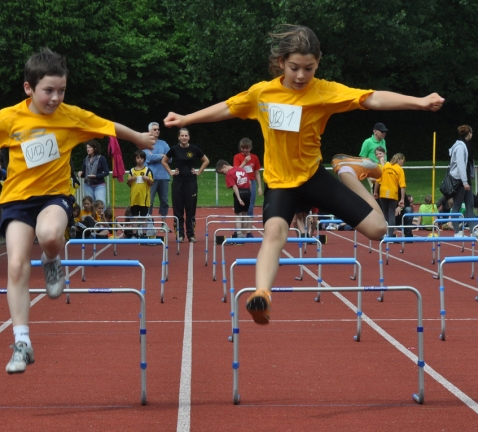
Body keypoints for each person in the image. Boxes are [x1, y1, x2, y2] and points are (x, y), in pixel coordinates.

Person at [163, 24, 444, 324]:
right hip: (281, 184)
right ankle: (262, 295)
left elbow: (371, 98)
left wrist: (419, 102)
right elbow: (228, 108)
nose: (300, 76)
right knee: (274, 233)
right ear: (281, 62)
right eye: (295, 67)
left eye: (308, 69)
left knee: (378, 230)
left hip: (314, 177)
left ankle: (348, 171)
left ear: (318, 64)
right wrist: (186, 118)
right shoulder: (263, 93)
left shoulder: (323, 91)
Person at [0, 48, 155, 374]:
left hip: (55, 196)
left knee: (50, 235)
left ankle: (53, 261)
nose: (55, 98)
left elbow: (109, 126)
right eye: (48, 91)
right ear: (29, 88)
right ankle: (22, 342)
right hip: (17, 200)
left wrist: (139, 138)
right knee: (16, 264)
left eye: (61, 91)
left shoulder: (71, 116)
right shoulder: (10, 118)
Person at [161, 128, 209, 242]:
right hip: (178, 182)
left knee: (190, 209)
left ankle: (191, 234)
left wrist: (198, 172)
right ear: (178, 137)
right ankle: (180, 234)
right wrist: (171, 172)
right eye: (182, 136)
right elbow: (164, 161)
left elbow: (206, 160)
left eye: (186, 135)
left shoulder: (194, 149)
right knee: (178, 210)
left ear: (189, 137)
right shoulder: (174, 149)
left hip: (191, 183)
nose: (184, 138)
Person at [448, 125, 478, 238]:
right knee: (457, 205)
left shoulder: (466, 145)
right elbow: (460, 165)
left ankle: (473, 231)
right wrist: (464, 182)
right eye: (472, 132)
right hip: (459, 181)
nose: (472, 135)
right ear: (469, 133)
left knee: (470, 204)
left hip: (466, 179)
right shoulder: (460, 146)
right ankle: (457, 232)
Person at [217, 159, 251, 238]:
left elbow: (234, 186)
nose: (224, 174)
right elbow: (249, 183)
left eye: (222, 172)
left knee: (238, 215)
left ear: (224, 166)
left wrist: (239, 199)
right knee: (245, 214)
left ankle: (239, 235)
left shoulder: (229, 173)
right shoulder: (241, 169)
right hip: (247, 192)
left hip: (239, 192)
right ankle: (243, 234)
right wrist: (250, 194)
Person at [374, 153, 406, 237]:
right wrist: (402, 199)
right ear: (401, 160)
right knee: (391, 213)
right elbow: (402, 185)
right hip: (393, 193)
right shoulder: (399, 169)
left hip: (383, 193)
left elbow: (378, 180)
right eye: (403, 161)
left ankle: (384, 234)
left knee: (385, 213)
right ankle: (390, 234)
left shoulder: (385, 166)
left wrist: (375, 192)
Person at [145, 122, 171, 219]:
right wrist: (161, 156)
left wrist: (157, 157)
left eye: (158, 129)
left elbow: (170, 158)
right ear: (149, 131)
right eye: (154, 129)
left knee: (164, 201)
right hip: (150, 177)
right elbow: (148, 158)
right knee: (149, 200)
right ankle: (148, 222)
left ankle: (163, 222)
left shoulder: (164, 143)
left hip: (164, 176)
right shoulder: (145, 143)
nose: (157, 131)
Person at [233, 137, 263, 219]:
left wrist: (259, 187)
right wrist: (245, 161)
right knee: (240, 206)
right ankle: (240, 229)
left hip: (251, 183)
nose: (245, 150)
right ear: (240, 148)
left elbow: (257, 172)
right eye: (243, 148)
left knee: (250, 205)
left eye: (247, 148)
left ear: (250, 148)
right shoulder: (237, 157)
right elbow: (236, 171)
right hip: (241, 183)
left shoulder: (255, 157)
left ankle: (248, 230)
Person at [127, 149, 154, 236]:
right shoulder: (132, 171)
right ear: (135, 159)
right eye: (138, 158)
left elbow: (151, 183)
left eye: (141, 158)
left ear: (144, 159)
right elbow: (129, 184)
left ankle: (144, 234)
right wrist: (130, 180)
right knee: (134, 217)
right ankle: (134, 234)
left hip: (144, 198)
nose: (139, 160)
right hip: (134, 198)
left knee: (144, 218)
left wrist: (147, 179)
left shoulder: (147, 170)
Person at [79, 140, 108, 208]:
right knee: (89, 205)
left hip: (99, 185)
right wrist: (81, 174)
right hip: (88, 185)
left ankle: (102, 218)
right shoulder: (85, 159)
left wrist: (96, 176)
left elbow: (106, 172)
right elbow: (84, 174)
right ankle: (91, 218)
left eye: (89, 147)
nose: (88, 149)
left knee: (100, 203)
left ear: (95, 148)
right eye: (87, 148)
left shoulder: (101, 158)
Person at [360, 123, 388, 193]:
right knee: (375, 191)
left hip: (383, 169)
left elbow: (385, 155)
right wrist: (367, 172)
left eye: (385, 131)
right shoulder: (367, 142)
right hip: (373, 170)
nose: (384, 133)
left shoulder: (383, 141)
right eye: (382, 131)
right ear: (375, 131)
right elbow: (362, 158)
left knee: (384, 190)